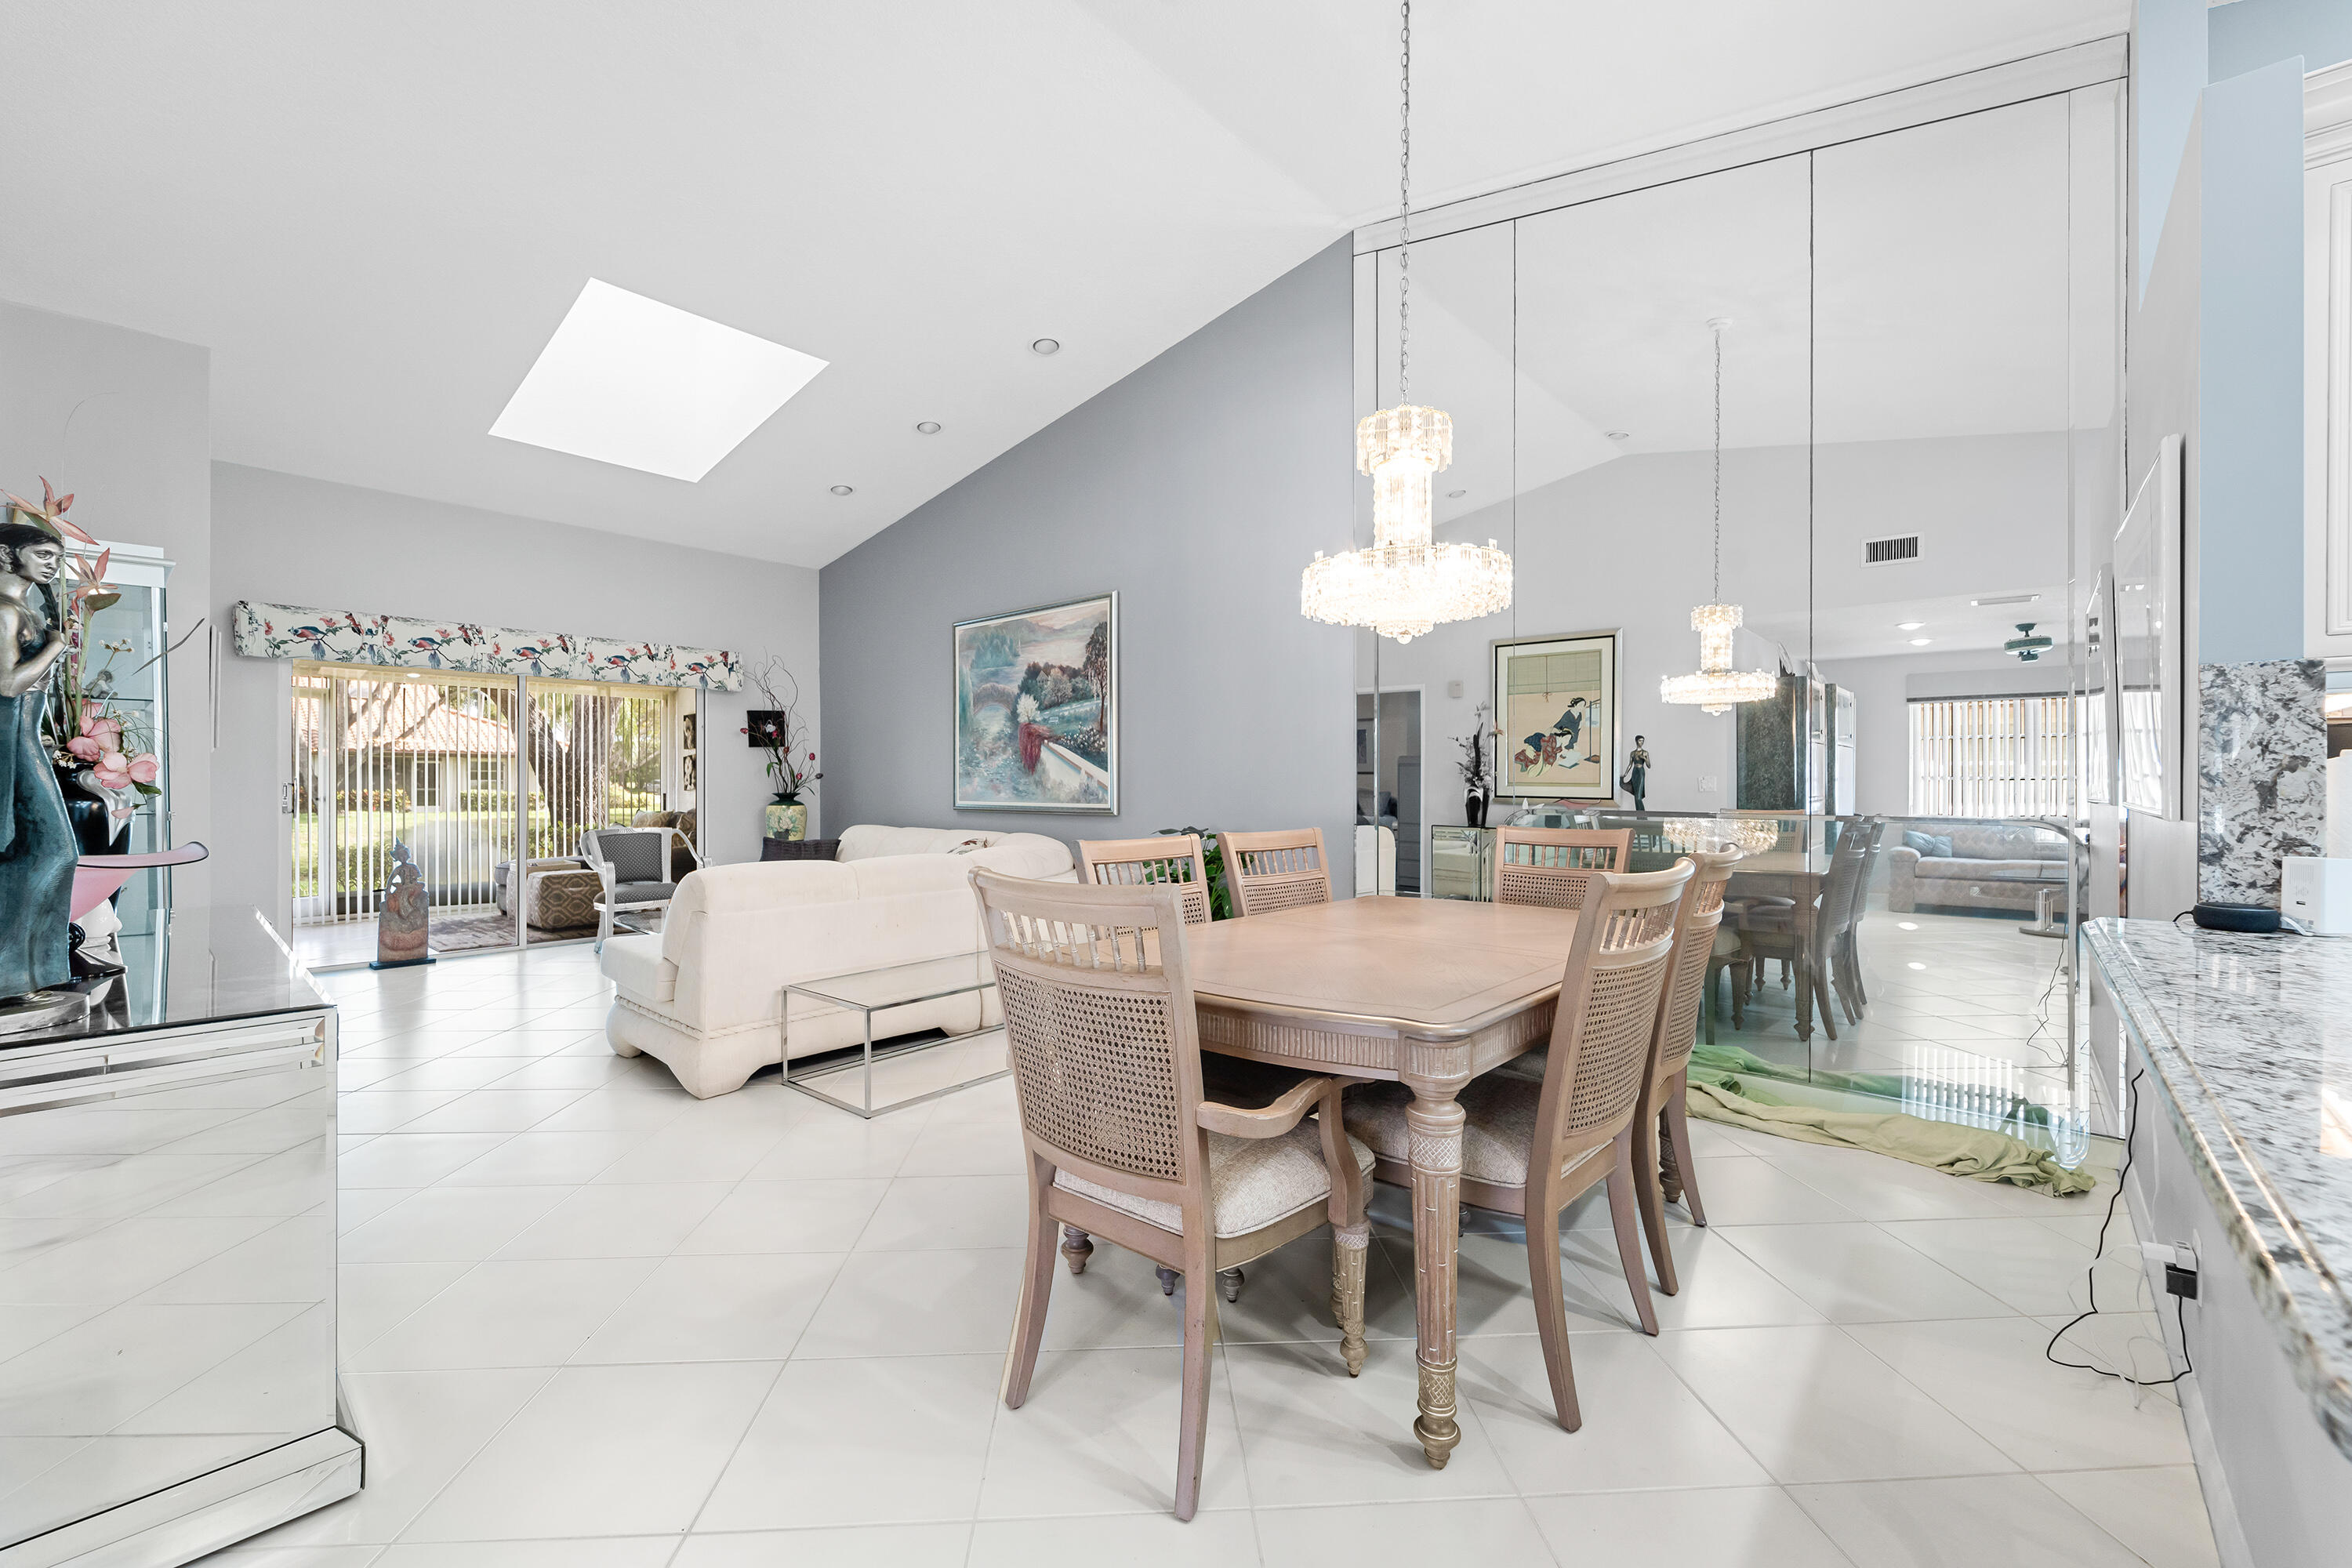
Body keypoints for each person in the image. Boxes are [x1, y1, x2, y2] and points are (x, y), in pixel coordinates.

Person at [0, 518, 78, 1000]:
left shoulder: (21, 610)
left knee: (42, 851)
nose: (54, 564)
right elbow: (7, 684)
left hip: (25, 733)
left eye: (58, 557)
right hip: (11, 735)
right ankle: (14, 970)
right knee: (51, 850)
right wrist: (54, 647)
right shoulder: (6, 612)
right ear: (8, 556)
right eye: (44, 554)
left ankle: (27, 971)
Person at [1621, 734, 1651, 811]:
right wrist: (1625, 774)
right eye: (1640, 741)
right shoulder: (1633, 753)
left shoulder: (1645, 753)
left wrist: (1644, 758)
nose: (1641, 742)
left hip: (1641, 773)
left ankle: (1642, 814)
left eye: (1643, 741)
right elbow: (1630, 765)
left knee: (1638, 796)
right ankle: (1639, 814)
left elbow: (1649, 765)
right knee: (1636, 795)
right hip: (1635, 773)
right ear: (1636, 741)